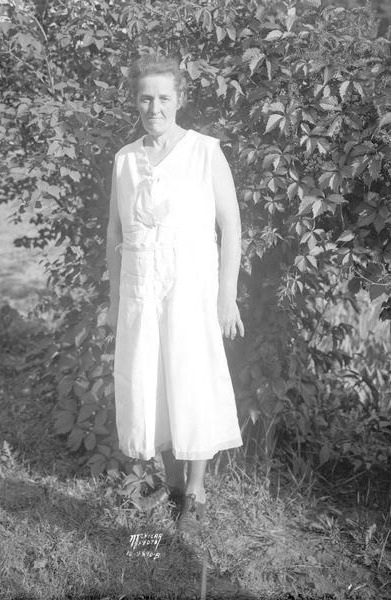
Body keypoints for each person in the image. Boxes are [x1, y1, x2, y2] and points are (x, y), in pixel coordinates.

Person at [105, 54, 244, 537]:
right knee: (152, 379)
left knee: (190, 378)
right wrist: (112, 299)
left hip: (191, 287)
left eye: (164, 97)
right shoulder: (125, 159)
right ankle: (173, 483)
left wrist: (227, 297)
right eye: (146, 97)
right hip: (142, 288)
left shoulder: (205, 151)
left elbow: (231, 227)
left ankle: (198, 491)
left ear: (180, 99)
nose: (155, 107)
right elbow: (114, 233)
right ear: (135, 101)